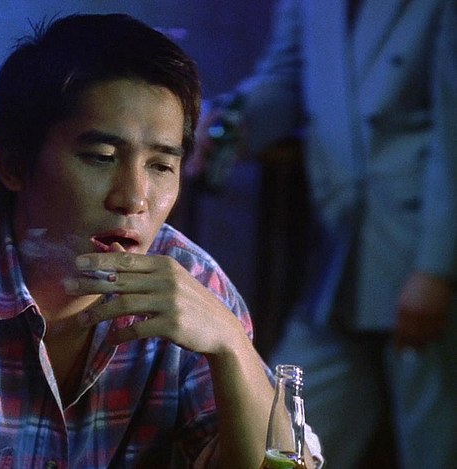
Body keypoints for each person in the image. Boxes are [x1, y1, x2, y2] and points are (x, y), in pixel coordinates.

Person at [0, 13, 323, 468]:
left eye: (161, 166)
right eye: (101, 157)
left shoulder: (192, 284)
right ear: (14, 165)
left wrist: (231, 347)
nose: (133, 199)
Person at [189, 1, 457, 467]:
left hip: (424, 246)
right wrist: (227, 122)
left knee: (434, 443)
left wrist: (437, 270)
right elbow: (286, 77)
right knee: (281, 435)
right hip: (340, 249)